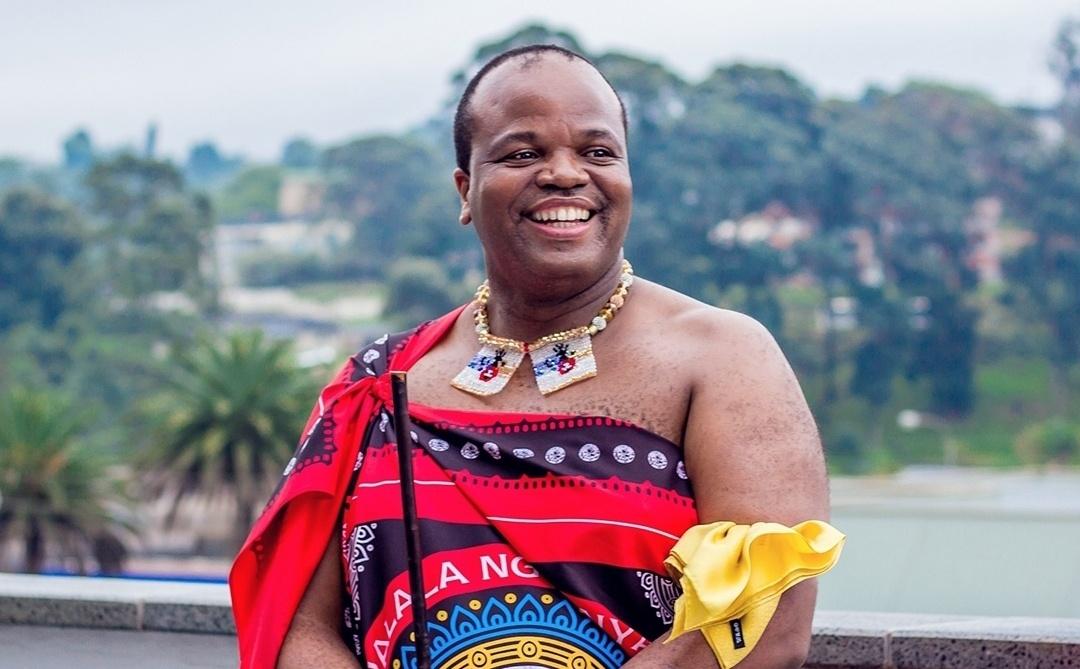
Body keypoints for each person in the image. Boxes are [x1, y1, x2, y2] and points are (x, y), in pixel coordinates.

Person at [230, 45, 844, 669]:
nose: (566, 174)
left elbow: (766, 618)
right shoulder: (379, 384)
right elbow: (296, 625)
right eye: (523, 154)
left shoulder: (722, 358)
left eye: (598, 152)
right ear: (465, 190)